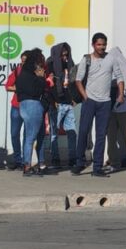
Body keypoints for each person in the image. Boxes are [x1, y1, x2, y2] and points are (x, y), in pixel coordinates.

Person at [75, 33, 126, 177]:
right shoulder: (87, 59)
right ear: (93, 45)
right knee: (84, 131)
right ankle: (79, 163)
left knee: (101, 135)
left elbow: (119, 77)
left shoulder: (111, 59)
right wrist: (85, 96)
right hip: (89, 101)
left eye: (104, 44)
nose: (102, 47)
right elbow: (78, 80)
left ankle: (97, 167)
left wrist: (121, 94)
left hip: (105, 102)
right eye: (99, 44)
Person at [14, 49, 48, 177]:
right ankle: (27, 166)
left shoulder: (22, 74)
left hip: (23, 105)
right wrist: (41, 78)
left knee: (33, 136)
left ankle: (36, 164)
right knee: (31, 138)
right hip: (34, 105)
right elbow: (38, 90)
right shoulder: (33, 76)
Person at [47, 43, 79, 171]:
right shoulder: (50, 64)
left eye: (67, 53)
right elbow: (48, 85)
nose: (65, 56)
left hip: (68, 103)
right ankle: (55, 159)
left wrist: (75, 99)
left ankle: (72, 159)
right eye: (63, 54)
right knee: (54, 133)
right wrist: (52, 101)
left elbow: (75, 83)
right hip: (57, 103)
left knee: (72, 132)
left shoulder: (70, 64)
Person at [3, 50, 30, 171]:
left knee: (26, 135)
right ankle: (17, 160)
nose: (23, 63)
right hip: (16, 107)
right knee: (14, 134)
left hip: (29, 107)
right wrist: (20, 88)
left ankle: (25, 161)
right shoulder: (17, 70)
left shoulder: (34, 72)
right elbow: (7, 86)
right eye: (22, 60)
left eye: (26, 61)